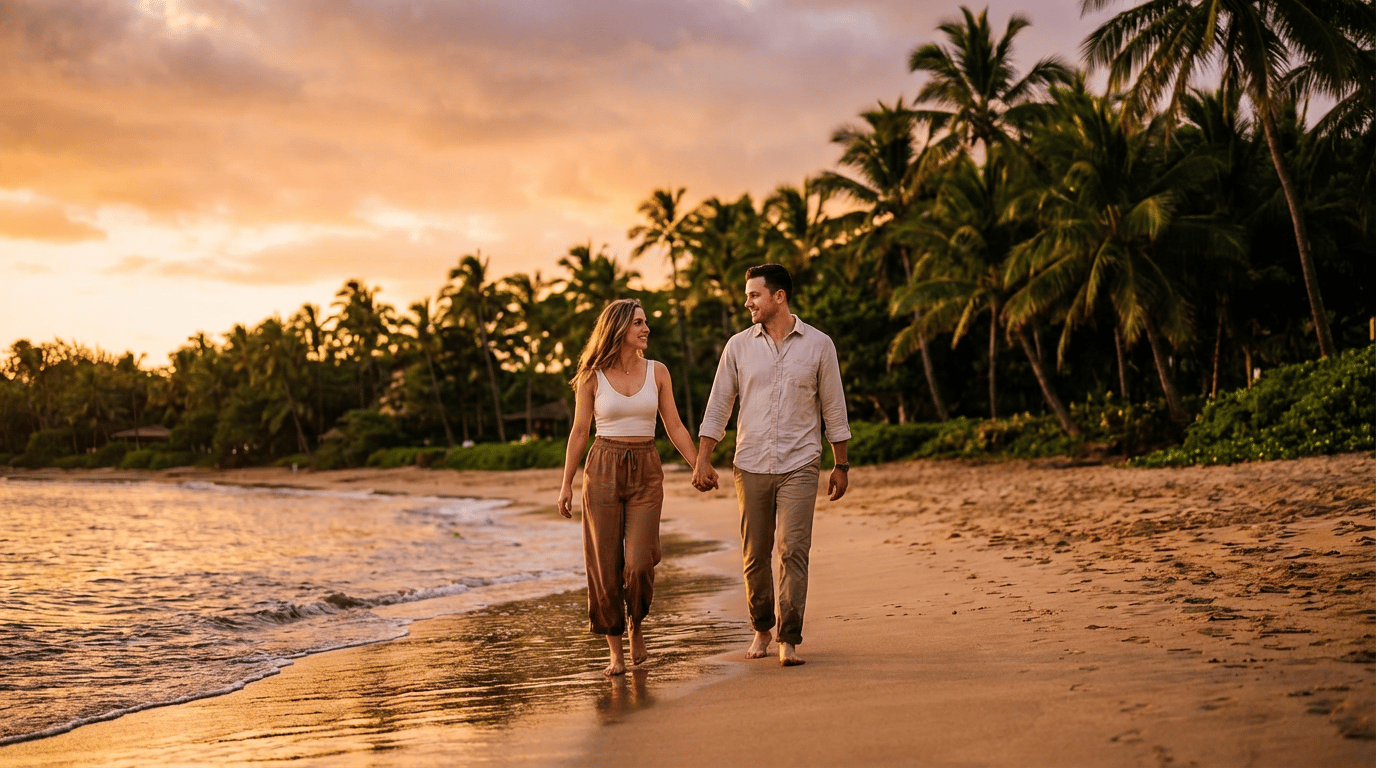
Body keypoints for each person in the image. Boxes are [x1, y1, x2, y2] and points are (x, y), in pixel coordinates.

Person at [692, 263, 851, 667]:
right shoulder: (737, 347)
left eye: (754, 295)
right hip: (750, 463)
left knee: (794, 549)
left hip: (801, 462)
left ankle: (789, 638)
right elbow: (719, 405)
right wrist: (703, 459)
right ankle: (762, 627)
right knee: (755, 555)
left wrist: (841, 464)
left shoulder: (819, 345)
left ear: (779, 297)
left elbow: (834, 407)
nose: (747, 302)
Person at [558, 298, 700, 676]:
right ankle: (615, 651)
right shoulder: (591, 376)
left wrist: (698, 464)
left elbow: (674, 425)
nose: (646, 328)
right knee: (605, 565)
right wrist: (566, 484)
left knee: (639, 562)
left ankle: (636, 622)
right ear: (619, 328)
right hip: (602, 468)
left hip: (646, 468)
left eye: (645, 322)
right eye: (638, 323)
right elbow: (579, 431)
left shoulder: (658, 371)